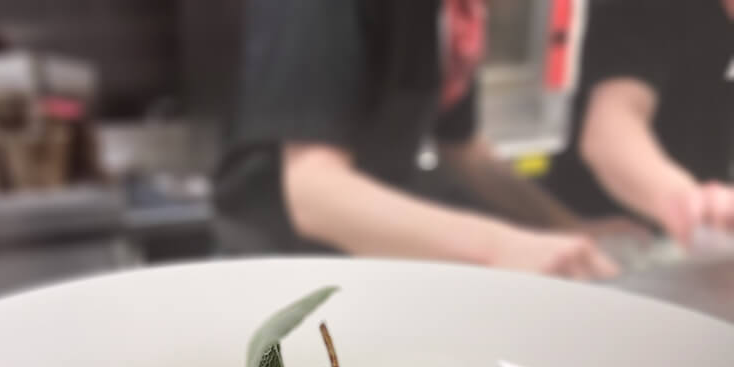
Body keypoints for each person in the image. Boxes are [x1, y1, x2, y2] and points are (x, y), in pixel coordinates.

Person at [215, 0, 620, 279]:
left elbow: (464, 151)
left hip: (372, 260)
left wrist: (569, 229)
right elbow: (315, 194)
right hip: (285, 269)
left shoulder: (456, 15)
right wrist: (501, 247)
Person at [545, 0, 734, 245]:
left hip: (700, 244)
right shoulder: (648, 8)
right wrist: (692, 205)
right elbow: (611, 131)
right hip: (610, 235)